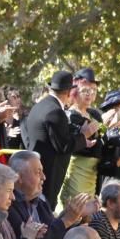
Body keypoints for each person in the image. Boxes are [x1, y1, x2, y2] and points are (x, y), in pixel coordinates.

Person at [21, 70, 97, 210]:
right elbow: (63, 146)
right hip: (48, 172)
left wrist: (80, 138)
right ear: (69, 93)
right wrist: (84, 135)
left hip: (37, 168)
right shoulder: (55, 111)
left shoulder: (40, 106)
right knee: (43, 210)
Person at [7, 150, 87, 239]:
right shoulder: (10, 204)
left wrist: (76, 215)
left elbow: (53, 232)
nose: (44, 177)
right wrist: (67, 220)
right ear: (18, 177)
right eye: (38, 172)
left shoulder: (41, 199)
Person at [57, 68, 103, 210]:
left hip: (93, 172)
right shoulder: (70, 115)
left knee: (90, 210)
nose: (90, 94)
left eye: (94, 91)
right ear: (74, 91)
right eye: (86, 90)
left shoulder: (95, 114)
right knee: (76, 206)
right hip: (77, 168)